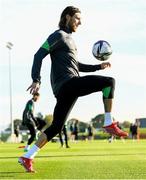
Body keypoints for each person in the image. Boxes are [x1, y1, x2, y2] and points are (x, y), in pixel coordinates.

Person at [18, 6, 128, 172]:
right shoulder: (58, 36)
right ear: (67, 17)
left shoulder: (70, 40)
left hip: (67, 88)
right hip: (68, 84)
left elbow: (77, 66)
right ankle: (108, 122)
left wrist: (98, 66)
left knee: (56, 126)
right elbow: (38, 55)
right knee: (109, 82)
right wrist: (36, 79)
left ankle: (27, 156)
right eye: (77, 18)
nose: (80, 22)